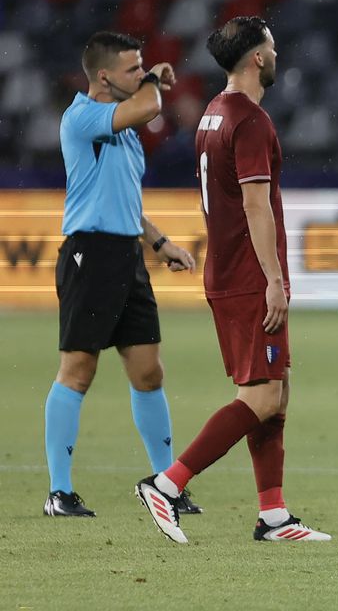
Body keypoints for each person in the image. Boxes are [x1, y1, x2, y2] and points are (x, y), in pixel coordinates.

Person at [134, 17, 330, 544]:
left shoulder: (212, 115)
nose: (277, 50)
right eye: (272, 43)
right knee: (262, 398)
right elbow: (254, 204)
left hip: (229, 268)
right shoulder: (250, 121)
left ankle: (273, 516)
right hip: (248, 275)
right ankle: (169, 484)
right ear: (257, 59)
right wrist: (273, 280)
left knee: (275, 393)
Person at [46, 32, 201, 518]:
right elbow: (151, 104)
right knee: (78, 371)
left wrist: (159, 244)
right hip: (88, 255)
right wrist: (154, 80)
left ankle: (165, 483)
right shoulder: (84, 116)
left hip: (125, 257)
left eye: (142, 68)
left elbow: (124, 201)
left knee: (148, 371)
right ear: (105, 76)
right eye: (133, 68)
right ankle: (60, 492)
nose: (141, 74)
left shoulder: (125, 130)